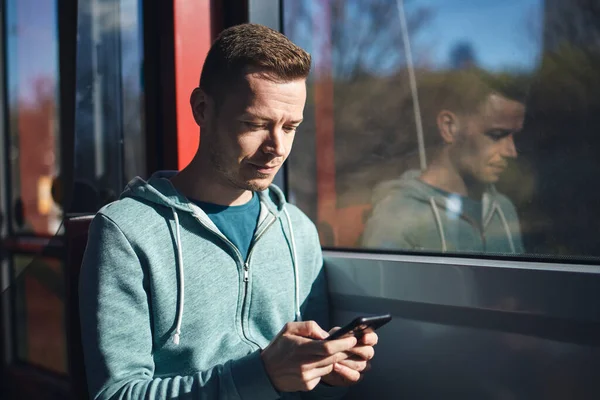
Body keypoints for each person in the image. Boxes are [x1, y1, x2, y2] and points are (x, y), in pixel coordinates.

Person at [79, 24, 377, 399]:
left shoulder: (298, 230)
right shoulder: (127, 232)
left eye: (291, 127)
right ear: (202, 109)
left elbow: (307, 384)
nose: (277, 147)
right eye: (255, 124)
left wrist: (326, 372)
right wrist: (261, 375)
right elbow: (116, 394)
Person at [362, 70, 526, 253]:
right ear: (449, 127)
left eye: (514, 137)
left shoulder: (503, 209)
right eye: (496, 135)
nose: (511, 152)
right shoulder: (398, 216)